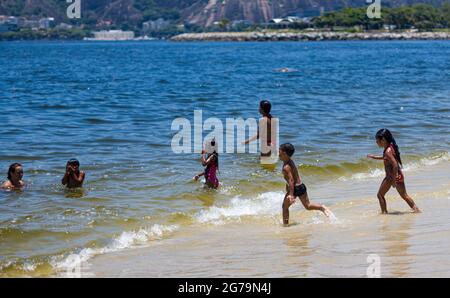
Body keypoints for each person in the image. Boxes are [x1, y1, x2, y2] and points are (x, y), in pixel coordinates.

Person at [367, 129, 420, 214]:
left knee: (380, 195)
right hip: (399, 175)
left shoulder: (387, 151)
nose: (376, 142)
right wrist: (374, 157)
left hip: (391, 177)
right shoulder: (390, 147)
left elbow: (395, 164)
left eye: (377, 140)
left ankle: (384, 214)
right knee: (404, 195)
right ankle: (416, 210)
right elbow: (386, 157)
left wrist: (393, 180)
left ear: (383, 140)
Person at [279, 143, 331, 226]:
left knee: (284, 207)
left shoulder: (286, 167)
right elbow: (292, 178)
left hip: (294, 189)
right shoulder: (290, 161)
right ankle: (322, 207)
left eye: (279, 151)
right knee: (308, 206)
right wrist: (288, 188)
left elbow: (291, 180)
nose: (278, 153)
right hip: (301, 186)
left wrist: (291, 195)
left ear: (284, 153)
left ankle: (286, 226)